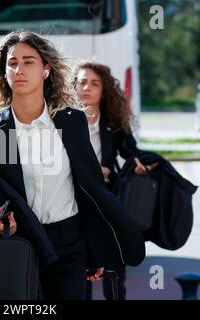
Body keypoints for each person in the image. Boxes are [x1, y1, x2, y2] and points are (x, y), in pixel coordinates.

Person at [0, 31, 145, 300]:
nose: (19, 69)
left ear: (46, 69)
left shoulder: (72, 122)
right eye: (12, 63)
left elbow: (89, 189)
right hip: (17, 243)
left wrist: (96, 250)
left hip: (68, 245)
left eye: (28, 61)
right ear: (4, 71)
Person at [73, 60, 158, 300]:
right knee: (80, 274)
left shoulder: (111, 123)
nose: (86, 87)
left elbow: (131, 152)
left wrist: (142, 164)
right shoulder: (62, 121)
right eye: (81, 82)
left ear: (104, 90)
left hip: (108, 203)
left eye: (94, 83)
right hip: (73, 204)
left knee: (113, 272)